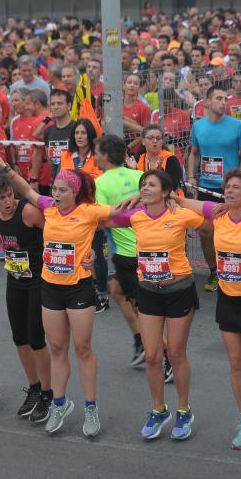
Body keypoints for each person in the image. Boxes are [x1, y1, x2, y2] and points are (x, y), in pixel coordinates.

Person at [0, 153, 123, 438]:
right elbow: (26, 190)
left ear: (75, 192)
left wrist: (152, 202)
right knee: (57, 349)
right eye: (54, 189)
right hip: (50, 288)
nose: (55, 194)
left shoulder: (90, 211)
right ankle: (60, 403)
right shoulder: (49, 208)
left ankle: (91, 407)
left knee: (83, 349)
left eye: (62, 190)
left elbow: (119, 214)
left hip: (78, 288)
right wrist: (4, 167)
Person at [178, 169, 241, 450]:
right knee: (236, 363)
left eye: (236, 187)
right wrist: (162, 193)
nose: (229, 191)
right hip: (229, 299)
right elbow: (186, 202)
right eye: (227, 187)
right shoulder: (219, 215)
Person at [111, 170, 202, 441]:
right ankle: (158, 410)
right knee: (152, 355)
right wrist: (136, 197)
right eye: (143, 185)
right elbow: (110, 214)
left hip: (179, 290)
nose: (145, 188)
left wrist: (180, 200)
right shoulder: (136, 216)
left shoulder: (180, 215)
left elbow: (210, 216)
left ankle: (184, 410)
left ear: (165, 192)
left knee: (175, 352)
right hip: (149, 290)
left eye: (151, 185)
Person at [0, 173, 53, 423]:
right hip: (15, 279)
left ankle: (48, 392)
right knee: (20, 338)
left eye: (10, 195)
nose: (8, 202)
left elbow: (54, 231)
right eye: (1, 198)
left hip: (38, 280)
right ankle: (34, 387)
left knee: (36, 338)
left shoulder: (28, 213)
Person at [186, 85, 241, 292]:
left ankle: (237, 271)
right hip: (206, 186)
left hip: (231, 190)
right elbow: (194, 152)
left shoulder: (237, 126)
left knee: (235, 232)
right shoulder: (198, 126)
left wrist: (239, 178)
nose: (224, 103)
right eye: (219, 98)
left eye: (226, 99)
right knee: (206, 232)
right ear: (207, 102)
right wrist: (191, 176)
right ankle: (214, 272)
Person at [93, 134, 145, 366]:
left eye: (96, 152)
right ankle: (140, 341)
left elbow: (100, 219)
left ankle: (164, 359)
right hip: (149, 248)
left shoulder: (100, 183)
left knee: (146, 313)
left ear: (104, 155)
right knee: (116, 289)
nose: (94, 156)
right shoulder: (140, 175)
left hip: (129, 255)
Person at [57, 118, 107, 310]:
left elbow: (99, 181)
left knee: (96, 253)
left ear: (90, 135)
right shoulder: (66, 155)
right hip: (69, 211)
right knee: (77, 251)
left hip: (91, 209)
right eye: (76, 133)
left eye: (83, 133)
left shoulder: (98, 157)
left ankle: (102, 294)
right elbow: (60, 179)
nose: (79, 136)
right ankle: (85, 290)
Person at [134, 124, 183, 193]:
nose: (155, 141)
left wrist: (160, 171)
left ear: (162, 141)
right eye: (150, 138)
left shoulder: (171, 159)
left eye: (158, 138)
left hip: (170, 199)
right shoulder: (138, 158)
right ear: (143, 141)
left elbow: (172, 187)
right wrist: (133, 170)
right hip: (144, 197)